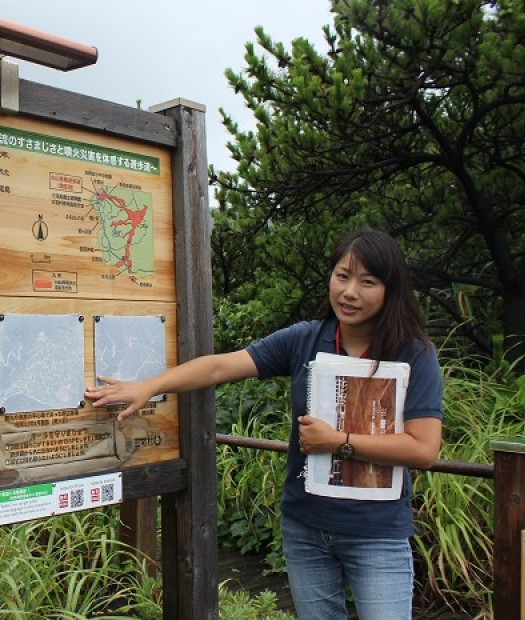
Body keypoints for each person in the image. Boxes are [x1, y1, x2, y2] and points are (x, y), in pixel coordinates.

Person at [85, 228, 442, 619]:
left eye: (367, 282)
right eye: (342, 276)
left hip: (378, 534)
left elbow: (423, 448)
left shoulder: (413, 353)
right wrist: (149, 387)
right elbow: (221, 364)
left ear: (390, 290)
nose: (350, 292)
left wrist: (337, 441)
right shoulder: (304, 339)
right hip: (306, 528)